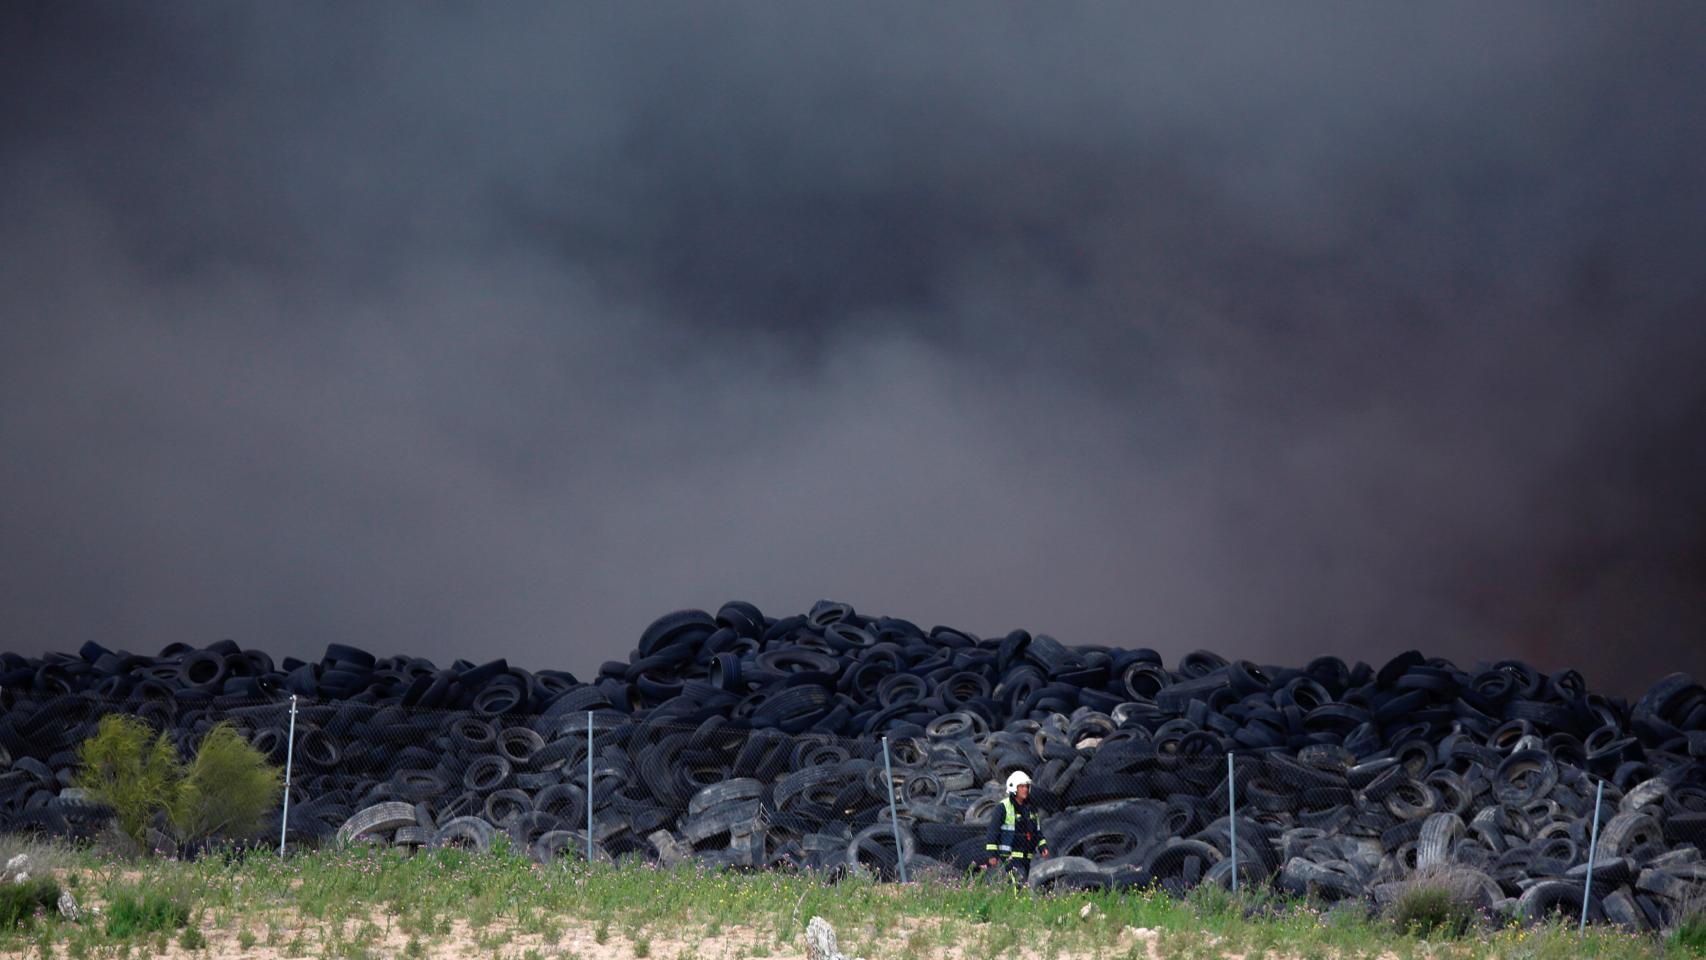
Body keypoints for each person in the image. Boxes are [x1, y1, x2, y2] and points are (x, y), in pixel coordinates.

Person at [985, 770, 1049, 881]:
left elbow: (1037, 831)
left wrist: (1043, 846)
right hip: (1010, 856)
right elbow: (993, 831)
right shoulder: (1003, 807)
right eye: (1021, 786)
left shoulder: (1031, 809)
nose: (1025, 789)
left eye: (1026, 786)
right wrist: (992, 855)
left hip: (1027, 856)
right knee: (1018, 884)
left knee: (1021, 883)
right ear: (1014, 788)